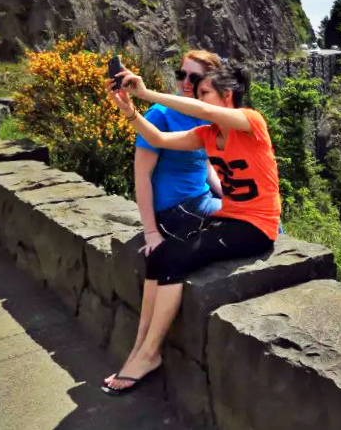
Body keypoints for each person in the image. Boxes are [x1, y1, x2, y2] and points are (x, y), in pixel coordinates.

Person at [102, 65, 281, 396]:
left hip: (257, 226)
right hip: (229, 218)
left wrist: (145, 92)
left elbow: (203, 112)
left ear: (227, 96)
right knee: (160, 255)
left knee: (176, 259)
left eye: (204, 93)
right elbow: (158, 139)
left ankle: (150, 354)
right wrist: (131, 112)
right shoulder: (207, 135)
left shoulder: (251, 122)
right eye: (197, 94)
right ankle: (140, 347)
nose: (198, 99)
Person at [103, 50, 223, 390]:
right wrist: (151, 233)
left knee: (263, 222)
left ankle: (141, 351)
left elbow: (206, 165)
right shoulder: (161, 114)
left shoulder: (205, 113)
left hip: (200, 203)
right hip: (174, 212)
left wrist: (228, 196)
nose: (185, 82)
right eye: (182, 74)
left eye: (194, 78)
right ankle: (143, 351)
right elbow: (141, 176)